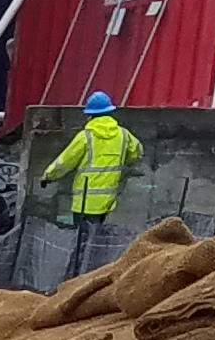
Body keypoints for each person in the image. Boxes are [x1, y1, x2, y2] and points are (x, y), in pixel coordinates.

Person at [42, 90, 145, 279]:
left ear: (90, 114)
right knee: (96, 240)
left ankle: (77, 277)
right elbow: (137, 151)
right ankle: (93, 274)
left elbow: (65, 161)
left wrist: (48, 176)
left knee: (80, 244)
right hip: (106, 200)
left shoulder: (86, 136)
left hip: (83, 200)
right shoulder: (123, 135)